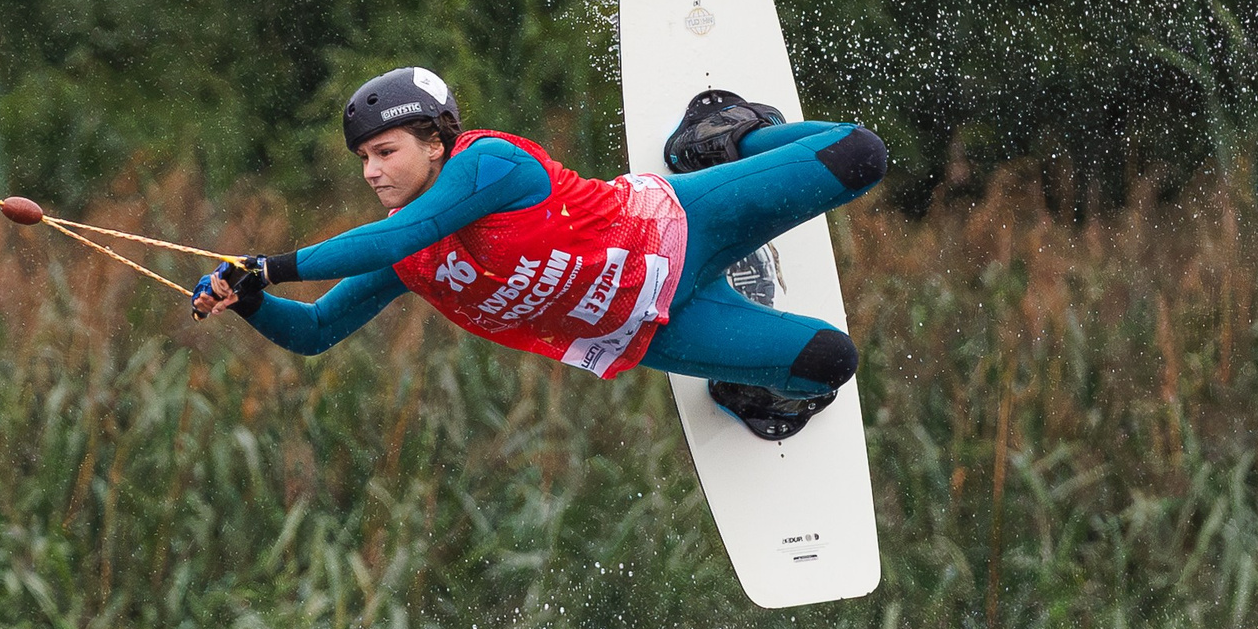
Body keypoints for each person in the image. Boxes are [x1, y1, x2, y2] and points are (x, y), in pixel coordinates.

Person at [190, 68, 887, 440]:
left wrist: (269, 263)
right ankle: (746, 386)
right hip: (655, 326)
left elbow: (401, 233)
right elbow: (316, 332)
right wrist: (249, 297)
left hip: (681, 221)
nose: (371, 171)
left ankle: (721, 139)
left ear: (436, 142)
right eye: (362, 160)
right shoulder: (409, 259)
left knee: (860, 155)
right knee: (829, 364)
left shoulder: (489, 163)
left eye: (384, 152)